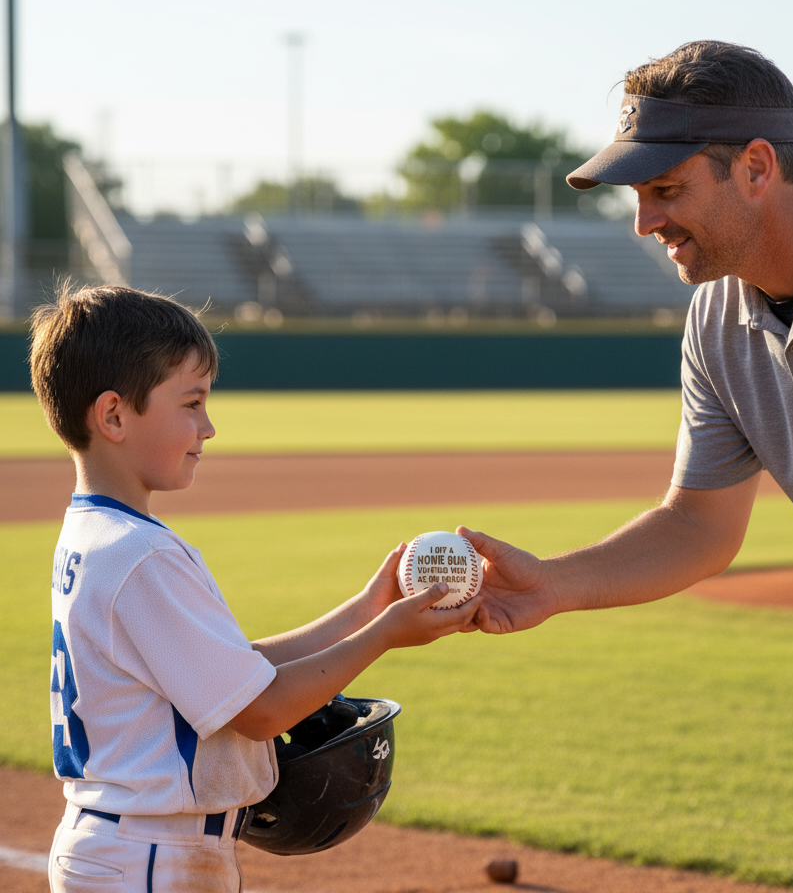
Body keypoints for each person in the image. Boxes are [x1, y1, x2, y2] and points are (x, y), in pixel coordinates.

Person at [457, 40, 793, 891]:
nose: (644, 223)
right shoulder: (714, 321)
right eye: (638, 196)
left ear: (754, 166)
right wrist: (555, 583)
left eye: (665, 191)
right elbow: (698, 524)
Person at [31, 283, 480, 893]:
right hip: (150, 859)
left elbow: (234, 672)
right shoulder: (140, 555)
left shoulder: (99, 535)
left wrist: (366, 609)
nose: (208, 426)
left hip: (128, 845)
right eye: (191, 403)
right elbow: (261, 710)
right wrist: (385, 636)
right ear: (113, 415)